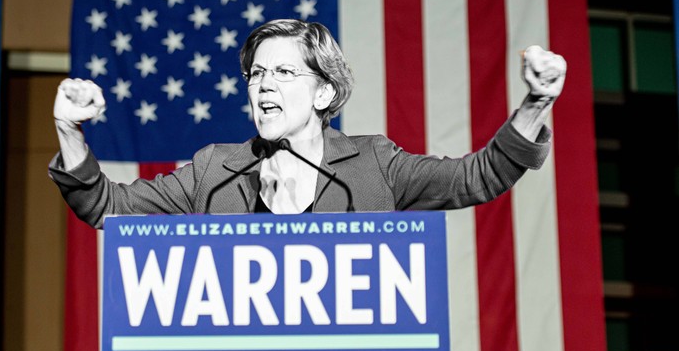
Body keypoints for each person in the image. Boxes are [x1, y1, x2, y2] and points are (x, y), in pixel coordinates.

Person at [49, 19, 565, 227]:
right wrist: (70, 130)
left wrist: (537, 102)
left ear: (324, 90)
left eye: (282, 72)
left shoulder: (373, 165)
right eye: (255, 74)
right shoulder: (214, 171)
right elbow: (105, 207)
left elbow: (478, 177)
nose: (263, 85)